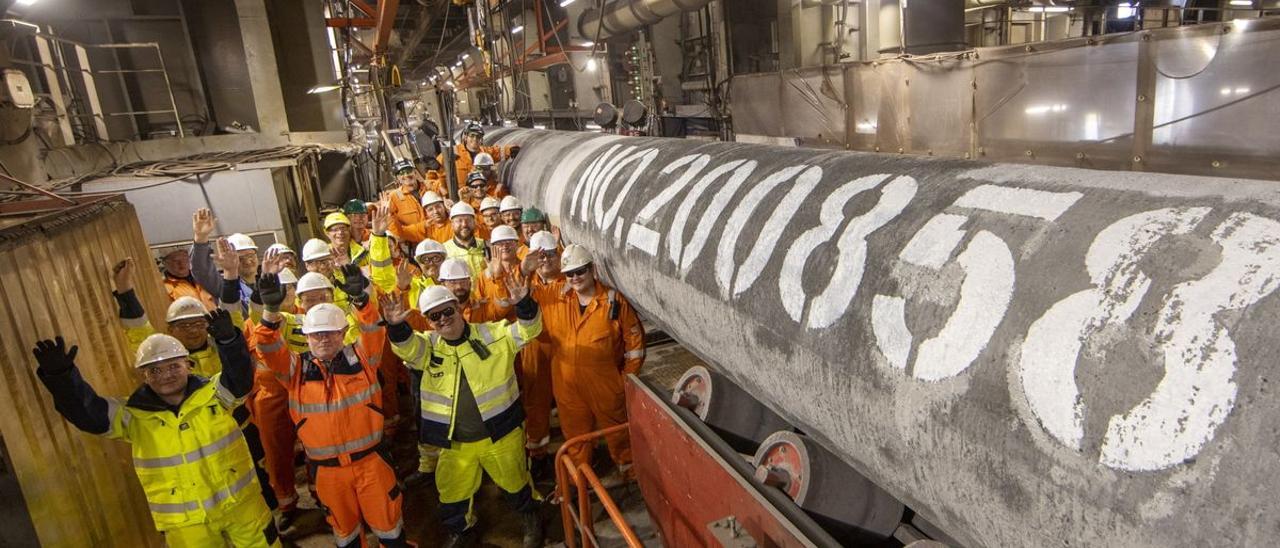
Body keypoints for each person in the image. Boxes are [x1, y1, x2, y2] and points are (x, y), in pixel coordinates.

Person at [32, 309, 278, 547]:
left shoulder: (214, 394)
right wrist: (62, 378)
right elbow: (87, 413)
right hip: (185, 524)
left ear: (189, 365)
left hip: (241, 506)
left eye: (173, 366)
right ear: (144, 376)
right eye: (155, 370)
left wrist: (229, 341)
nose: (166, 375)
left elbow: (240, 378)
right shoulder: (133, 416)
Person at [113, 240, 282, 523]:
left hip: (240, 428)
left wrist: (230, 275)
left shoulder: (221, 346)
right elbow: (138, 332)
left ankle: (271, 529)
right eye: (183, 326)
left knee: (258, 482)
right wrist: (125, 292)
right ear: (171, 329)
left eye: (197, 323)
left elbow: (233, 319)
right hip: (196, 441)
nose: (192, 331)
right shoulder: (164, 357)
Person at [382, 274, 544, 548]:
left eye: (447, 311)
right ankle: (462, 529)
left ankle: (530, 518)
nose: (443, 319)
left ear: (459, 308)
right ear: (429, 322)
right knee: (452, 495)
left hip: (501, 435)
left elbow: (529, 331)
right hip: (455, 443)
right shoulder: (428, 347)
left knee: (516, 483)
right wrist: (396, 326)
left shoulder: (493, 335)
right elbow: (407, 348)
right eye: (434, 317)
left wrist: (525, 304)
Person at [254, 268, 408, 547]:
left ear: (343, 333)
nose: (323, 340)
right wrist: (270, 311)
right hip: (328, 473)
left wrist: (361, 299)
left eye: (330, 334)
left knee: (390, 528)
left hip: (371, 464)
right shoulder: (294, 370)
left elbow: (373, 328)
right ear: (307, 337)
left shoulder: (363, 359)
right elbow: (266, 345)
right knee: (345, 533)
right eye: (316, 335)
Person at [542, 245, 646, 478]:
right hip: (567, 383)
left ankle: (630, 473)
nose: (575, 278)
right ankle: (578, 482)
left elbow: (635, 343)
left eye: (581, 271)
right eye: (570, 273)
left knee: (618, 430)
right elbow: (521, 298)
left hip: (605, 381)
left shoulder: (612, 301)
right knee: (576, 437)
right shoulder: (558, 298)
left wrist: (627, 377)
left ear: (592, 269)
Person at [517, 231, 562, 475]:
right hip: (535, 347)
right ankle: (538, 451)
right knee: (536, 401)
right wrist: (524, 271)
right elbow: (506, 294)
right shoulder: (526, 283)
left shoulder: (571, 280)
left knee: (570, 399)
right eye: (540, 256)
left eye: (551, 255)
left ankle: (578, 450)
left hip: (564, 346)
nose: (545, 261)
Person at [190, 208, 259, 314]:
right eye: (240, 258)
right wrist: (201, 237)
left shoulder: (269, 283)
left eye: (250, 255)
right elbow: (202, 270)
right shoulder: (224, 285)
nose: (248, 262)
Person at [426, 122, 516, 194]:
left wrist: (511, 149)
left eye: (478, 136)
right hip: (459, 197)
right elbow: (429, 180)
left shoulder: (485, 152)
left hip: (481, 195)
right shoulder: (451, 153)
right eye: (472, 136)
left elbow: (500, 152)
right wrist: (443, 189)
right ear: (465, 137)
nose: (475, 139)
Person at [444, 202, 486, 282]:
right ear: (452, 224)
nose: (464, 224)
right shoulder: (444, 250)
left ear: (474, 222)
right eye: (459, 221)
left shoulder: (486, 246)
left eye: (468, 220)